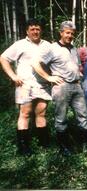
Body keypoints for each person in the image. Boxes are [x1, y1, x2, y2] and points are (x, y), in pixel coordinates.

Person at [32, 21, 87, 156]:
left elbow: (75, 66)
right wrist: (49, 77)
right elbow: (35, 63)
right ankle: (64, 148)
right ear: (61, 33)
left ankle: (85, 145)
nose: (70, 35)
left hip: (77, 86)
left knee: (83, 116)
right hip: (62, 87)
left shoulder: (73, 48)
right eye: (67, 33)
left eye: (72, 33)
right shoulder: (52, 48)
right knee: (61, 118)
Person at [0, 19, 51, 156]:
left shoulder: (47, 45)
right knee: (25, 113)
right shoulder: (20, 44)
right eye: (32, 29)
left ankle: (43, 143)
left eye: (38, 29)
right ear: (27, 31)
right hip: (25, 84)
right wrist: (13, 76)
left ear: (41, 30)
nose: (35, 31)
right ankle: (23, 147)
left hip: (43, 85)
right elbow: (3, 58)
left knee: (41, 113)